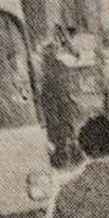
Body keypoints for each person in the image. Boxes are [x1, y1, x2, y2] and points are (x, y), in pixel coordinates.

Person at [41, 39, 80, 167]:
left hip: (58, 105)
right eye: (47, 53)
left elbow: (65, 86)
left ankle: (64, 159)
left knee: (62, 134)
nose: (49, 55)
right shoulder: (43, 67)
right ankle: (62, 158)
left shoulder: (59, 67)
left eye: (51, 52)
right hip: (50, 105)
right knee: (55, 135)